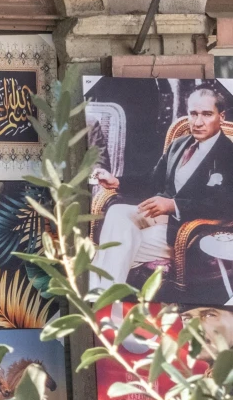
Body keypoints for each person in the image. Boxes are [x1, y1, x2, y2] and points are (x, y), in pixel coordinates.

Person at [93, 80, 233, 300]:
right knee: (117, 213)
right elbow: (152, 181)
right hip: (162, 219)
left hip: (192, 231)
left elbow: (225, 203)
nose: (198, 122)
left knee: (113, 247)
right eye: (193, 114)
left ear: (221, 116)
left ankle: (101, 300)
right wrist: (117, 182)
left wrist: (173, 205)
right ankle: (107, 298)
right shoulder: (179, 145)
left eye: (206, 114)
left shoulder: (228, 153)